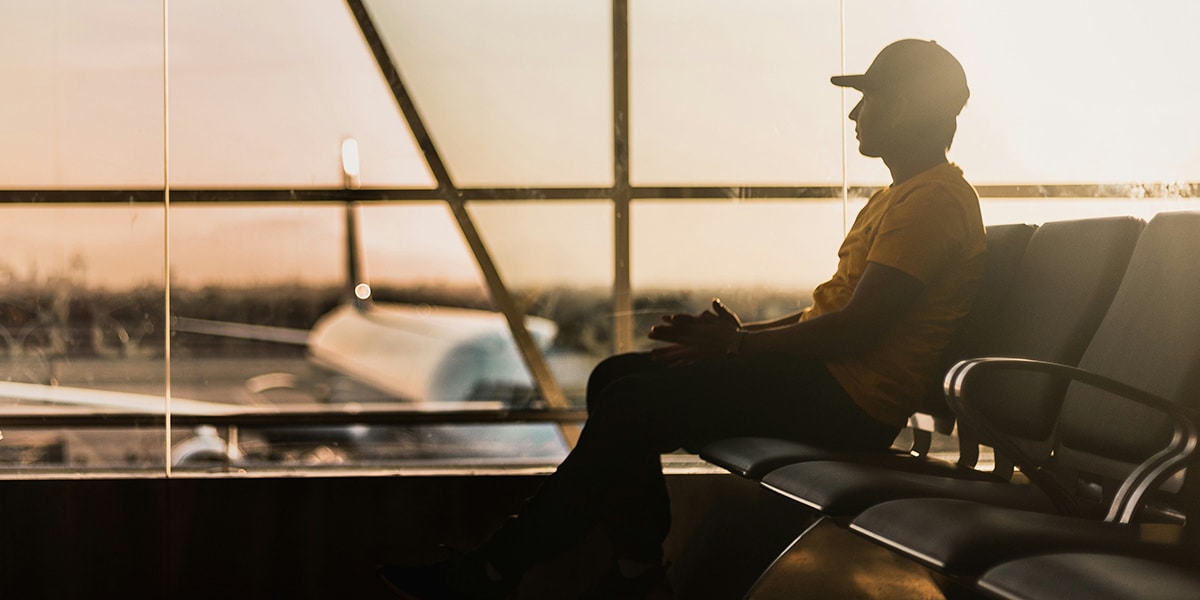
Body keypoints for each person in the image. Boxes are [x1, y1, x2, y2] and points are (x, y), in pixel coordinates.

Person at [379, 38, 984, 600]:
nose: (855, 116)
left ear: (901, 106)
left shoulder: (931, 202)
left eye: (867, 99)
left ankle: (500, 570)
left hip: (849, 405)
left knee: (631, 402)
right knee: (615, 377)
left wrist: (738, 350)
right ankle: (632, 575)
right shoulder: (903, 196)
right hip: (829, 384)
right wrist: (736, 339)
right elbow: (838, 315)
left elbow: (859, 329)